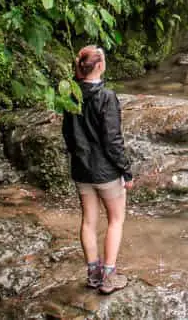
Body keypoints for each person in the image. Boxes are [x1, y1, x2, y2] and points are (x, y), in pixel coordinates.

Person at [62, 45, 133, 294]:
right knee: (116, 220)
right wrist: (126, 171)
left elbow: (68, 135)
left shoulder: (71, 95)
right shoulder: (107, 97)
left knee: (88, 222)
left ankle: (93, 274)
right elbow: (113, 141)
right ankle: (109, 277)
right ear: (100, 66)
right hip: (105, 172)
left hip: (82, 170)